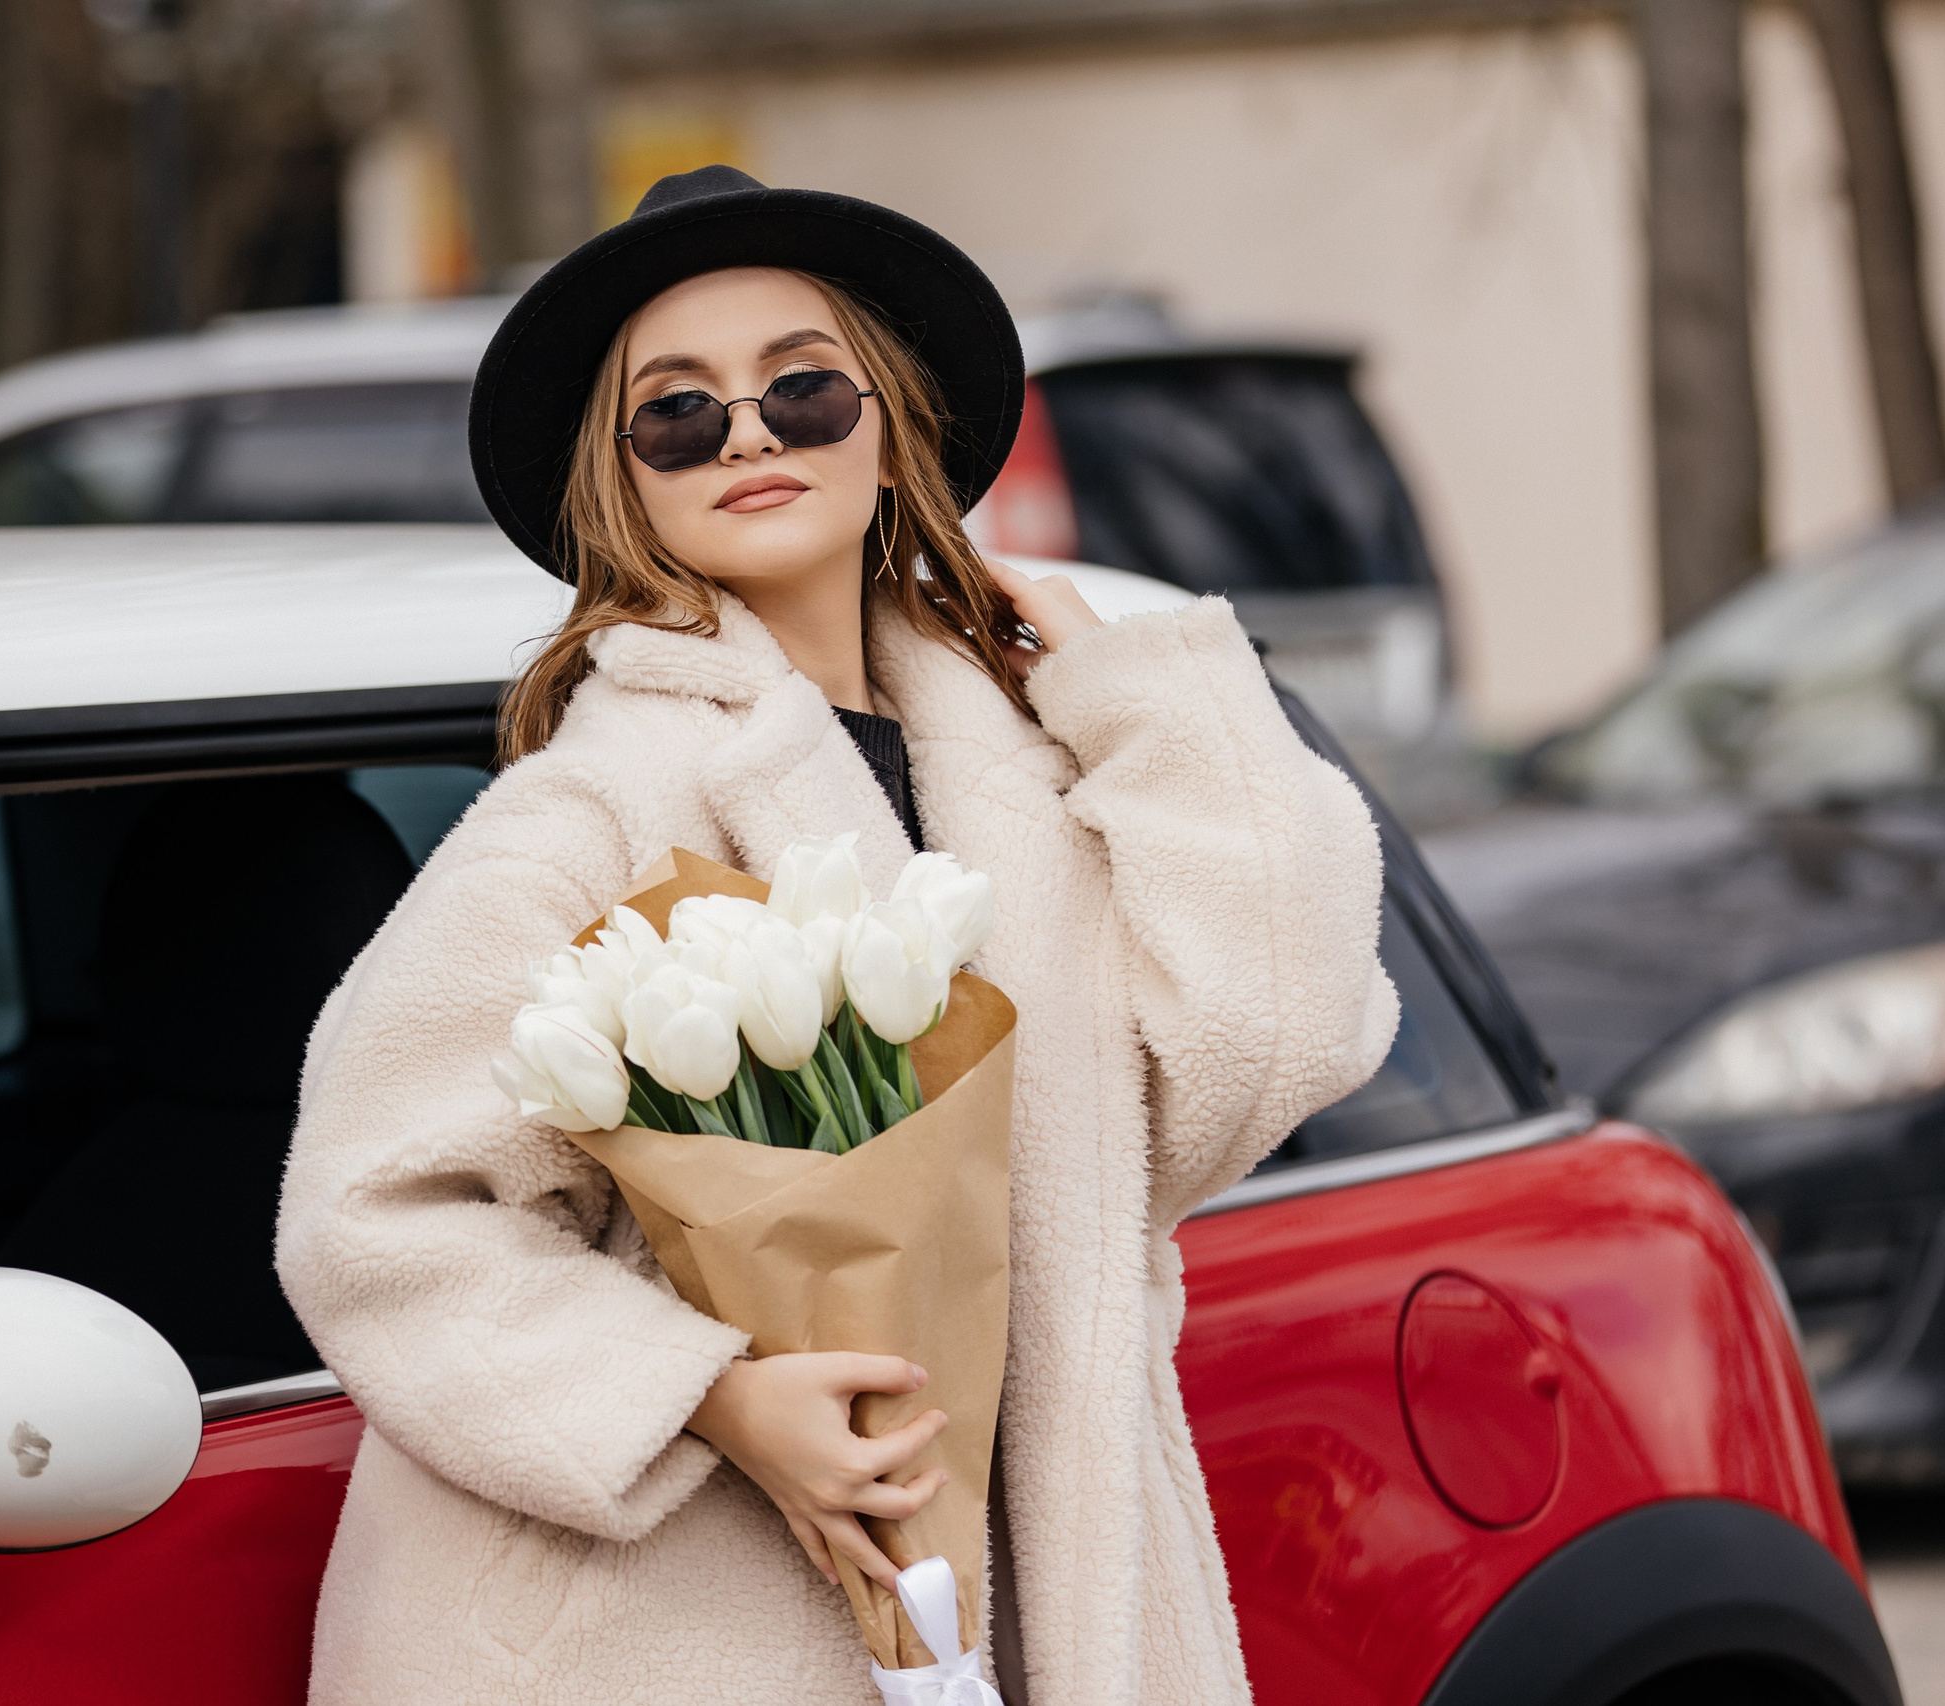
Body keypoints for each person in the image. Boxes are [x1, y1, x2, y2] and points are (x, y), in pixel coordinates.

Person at [276, 166, 1398, 1706]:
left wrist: (1153, 701)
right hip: (655, 1636)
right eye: (677, 411)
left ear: (892, 429)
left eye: (803, 388)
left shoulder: (1030, 771)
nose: (745, 431)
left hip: (1027, 1585)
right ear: (626, 482)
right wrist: (717, 1399)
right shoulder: (593, 810)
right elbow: (375, 1212)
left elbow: (1272, 1042)